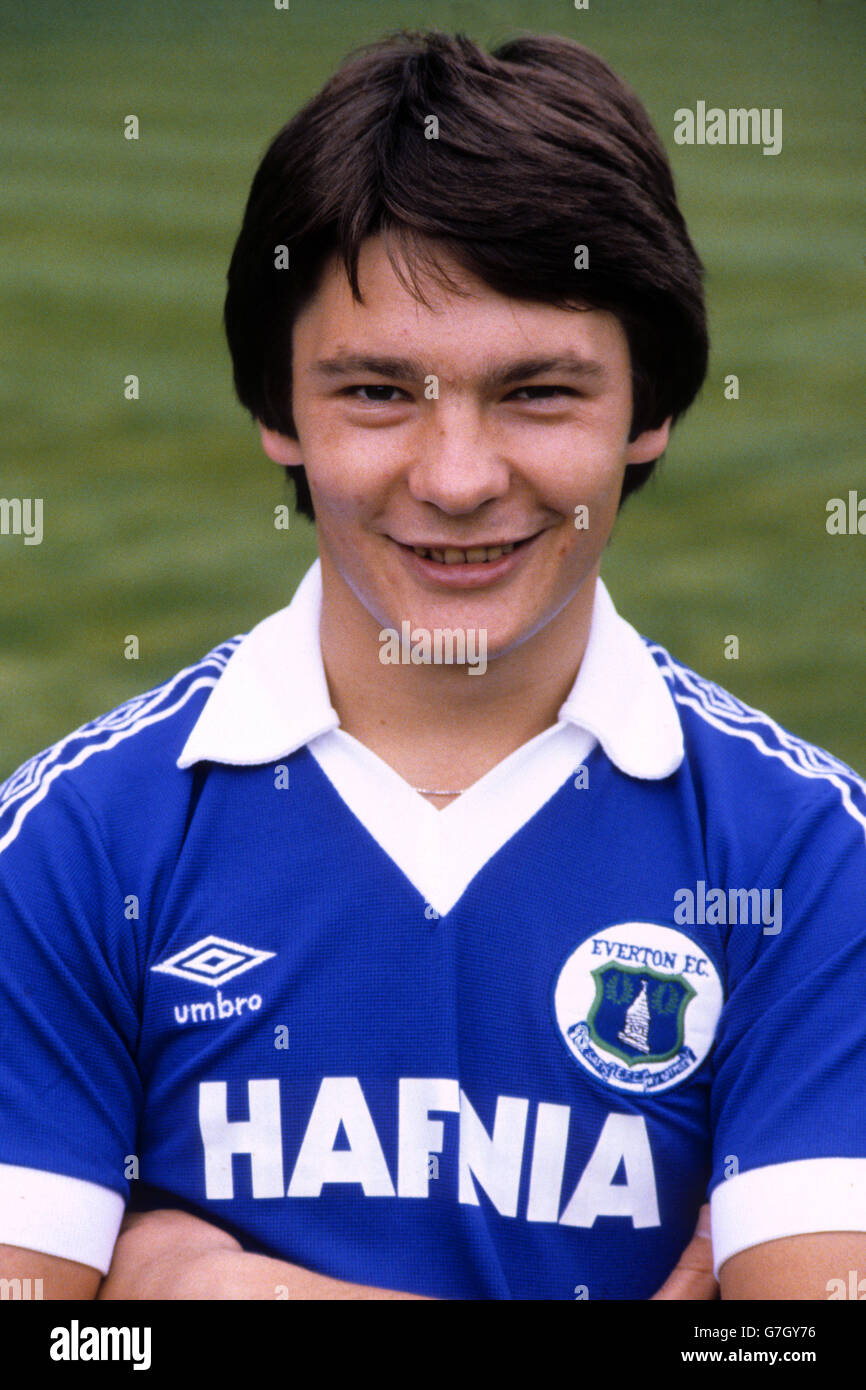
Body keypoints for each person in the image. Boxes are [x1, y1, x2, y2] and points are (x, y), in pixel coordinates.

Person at [1, 29, 864, 1302]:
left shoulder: (804, 855)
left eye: (536, 394)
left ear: (651, 406)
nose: (456, 479)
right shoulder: (76, 842)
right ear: (277, 413)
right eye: (375, 394)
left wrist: (221, 1294)